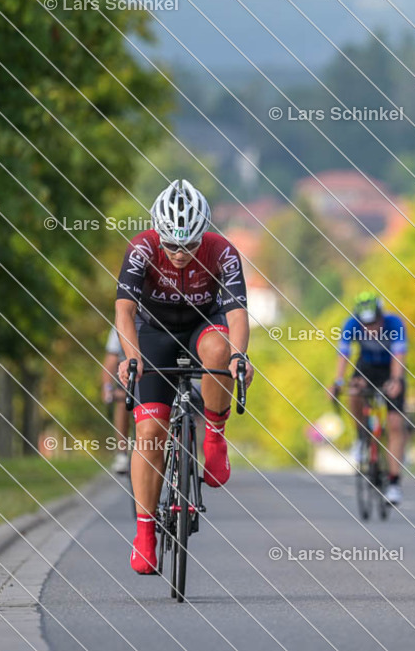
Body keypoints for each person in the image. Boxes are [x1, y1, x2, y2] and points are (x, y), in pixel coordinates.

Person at [114, 179, 253, 575]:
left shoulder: (222, 251)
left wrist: (240, 356)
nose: (179, 253)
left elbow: (238, 314)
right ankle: (144, 532)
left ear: (203, 233)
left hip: (203, 326)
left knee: (219, 352)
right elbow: (124, 311)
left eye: (189, 245)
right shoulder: (142, 248)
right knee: (150, 432)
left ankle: (214, 436)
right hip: (154, 331)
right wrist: (132, 358)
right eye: (171, 245)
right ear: (158, 232)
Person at [331, 292, 408, 505]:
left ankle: (393, 483)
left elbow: (399, 355)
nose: (371, 329)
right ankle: (360, 435)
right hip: (366, 368)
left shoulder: (394, 324)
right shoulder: (351, 324)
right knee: (353, 391)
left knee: (394, 424)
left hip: (390, 368)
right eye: (366, 325)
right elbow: (344, 354)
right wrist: (338, 382)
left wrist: (395, 380)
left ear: (381, 316)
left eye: (374, 323)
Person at [102, 327, 130, 474]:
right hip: (129, 371)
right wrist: (107, 387)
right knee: (121, 400)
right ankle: (122, 453)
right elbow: (111, 359)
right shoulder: (119, 327)